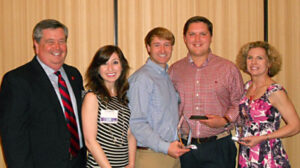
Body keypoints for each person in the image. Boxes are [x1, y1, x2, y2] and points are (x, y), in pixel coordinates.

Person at [0, 19, 86, 167]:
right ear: (36, 44)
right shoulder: (17, 80)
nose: (57, 47)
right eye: (50, 41)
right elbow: (13, 137)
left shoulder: (74, 75)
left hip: (78, 163)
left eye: (62, 41)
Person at [168, 16, 244, 168]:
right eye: (192, 34)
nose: (197, 39)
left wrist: (225, 120)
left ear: (211, 37)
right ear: (184, 38)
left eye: (202, 34)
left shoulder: (228, 69)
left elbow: (239, 103)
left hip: (219, 146)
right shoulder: (174, 70)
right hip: (185, 148)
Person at [128, 27, 190, 168]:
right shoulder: (142, 79)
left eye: (167, 45)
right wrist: (165, 147)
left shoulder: (165, 76)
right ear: (148, 48)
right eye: (157, 45)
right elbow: (136, 123)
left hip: (171, 154)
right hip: (151, 156)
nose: (163, 50)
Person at [235, 41, 300, 168]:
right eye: (250, 58)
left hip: (268, 155)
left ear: (269, 63)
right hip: (246, 154)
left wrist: (264, 137)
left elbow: (296, 126)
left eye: (259, 58)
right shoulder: (246, 87)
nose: (253, 62)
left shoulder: (274, 91)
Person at [82, 45, 136, 168]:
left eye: (115, 62)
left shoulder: (123, 98)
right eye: (104, 63)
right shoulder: (92, 98)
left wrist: (131, 164)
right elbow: (90, 141)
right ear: (97, 69)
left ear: (122, 66)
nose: (110, 68)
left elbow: (130, 134)